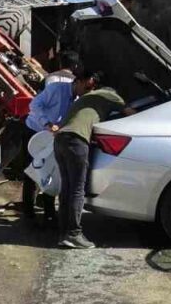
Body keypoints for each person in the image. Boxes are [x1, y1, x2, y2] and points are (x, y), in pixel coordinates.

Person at [53, 70, 132, 249]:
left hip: (60, 139)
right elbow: (131, 114)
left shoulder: (87, 98)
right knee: (77, 189)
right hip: (76, 140)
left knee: (66, 188)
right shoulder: (111, 95)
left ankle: (63, 234)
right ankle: (74, 234)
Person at [19, 51, 80, 223]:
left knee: (33, 169)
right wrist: (48, 124)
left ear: (60, 63)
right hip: (46, 131)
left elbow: (35, 104)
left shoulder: (49, 79)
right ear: (76, 67)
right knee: (51, 170)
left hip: (37, 130)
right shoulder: (73, 86)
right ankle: (49, 212)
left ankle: (29, 212)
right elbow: (36, 105)